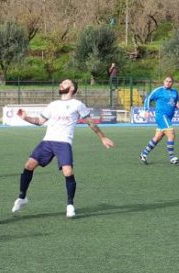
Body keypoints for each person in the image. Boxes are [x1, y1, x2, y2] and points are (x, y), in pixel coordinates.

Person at [12, 79, 114, 218]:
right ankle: (22, 197)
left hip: (63, 142)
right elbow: (39, 122)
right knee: (29, 165)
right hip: (47, 141)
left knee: (68, 171)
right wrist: (25, 117)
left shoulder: (77, 104)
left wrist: (102, 137)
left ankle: (70, 204)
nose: (61, 84)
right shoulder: (53, 104)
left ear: (72, 88)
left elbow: (90, 122)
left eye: (64, 83)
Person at [139, 76, 179, 165]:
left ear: (172, 83)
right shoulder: (158, 91)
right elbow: (148, 99)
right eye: (166, 81)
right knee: (171, 133)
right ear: (164, 82)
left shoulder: (175, 92)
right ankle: (172, 157)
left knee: (157, 137)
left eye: (170, 81)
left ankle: (144, 153)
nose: (168, 83)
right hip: (161, 116)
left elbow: (175, 102)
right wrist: (146, 110)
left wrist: (177, 105)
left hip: (169, 117)